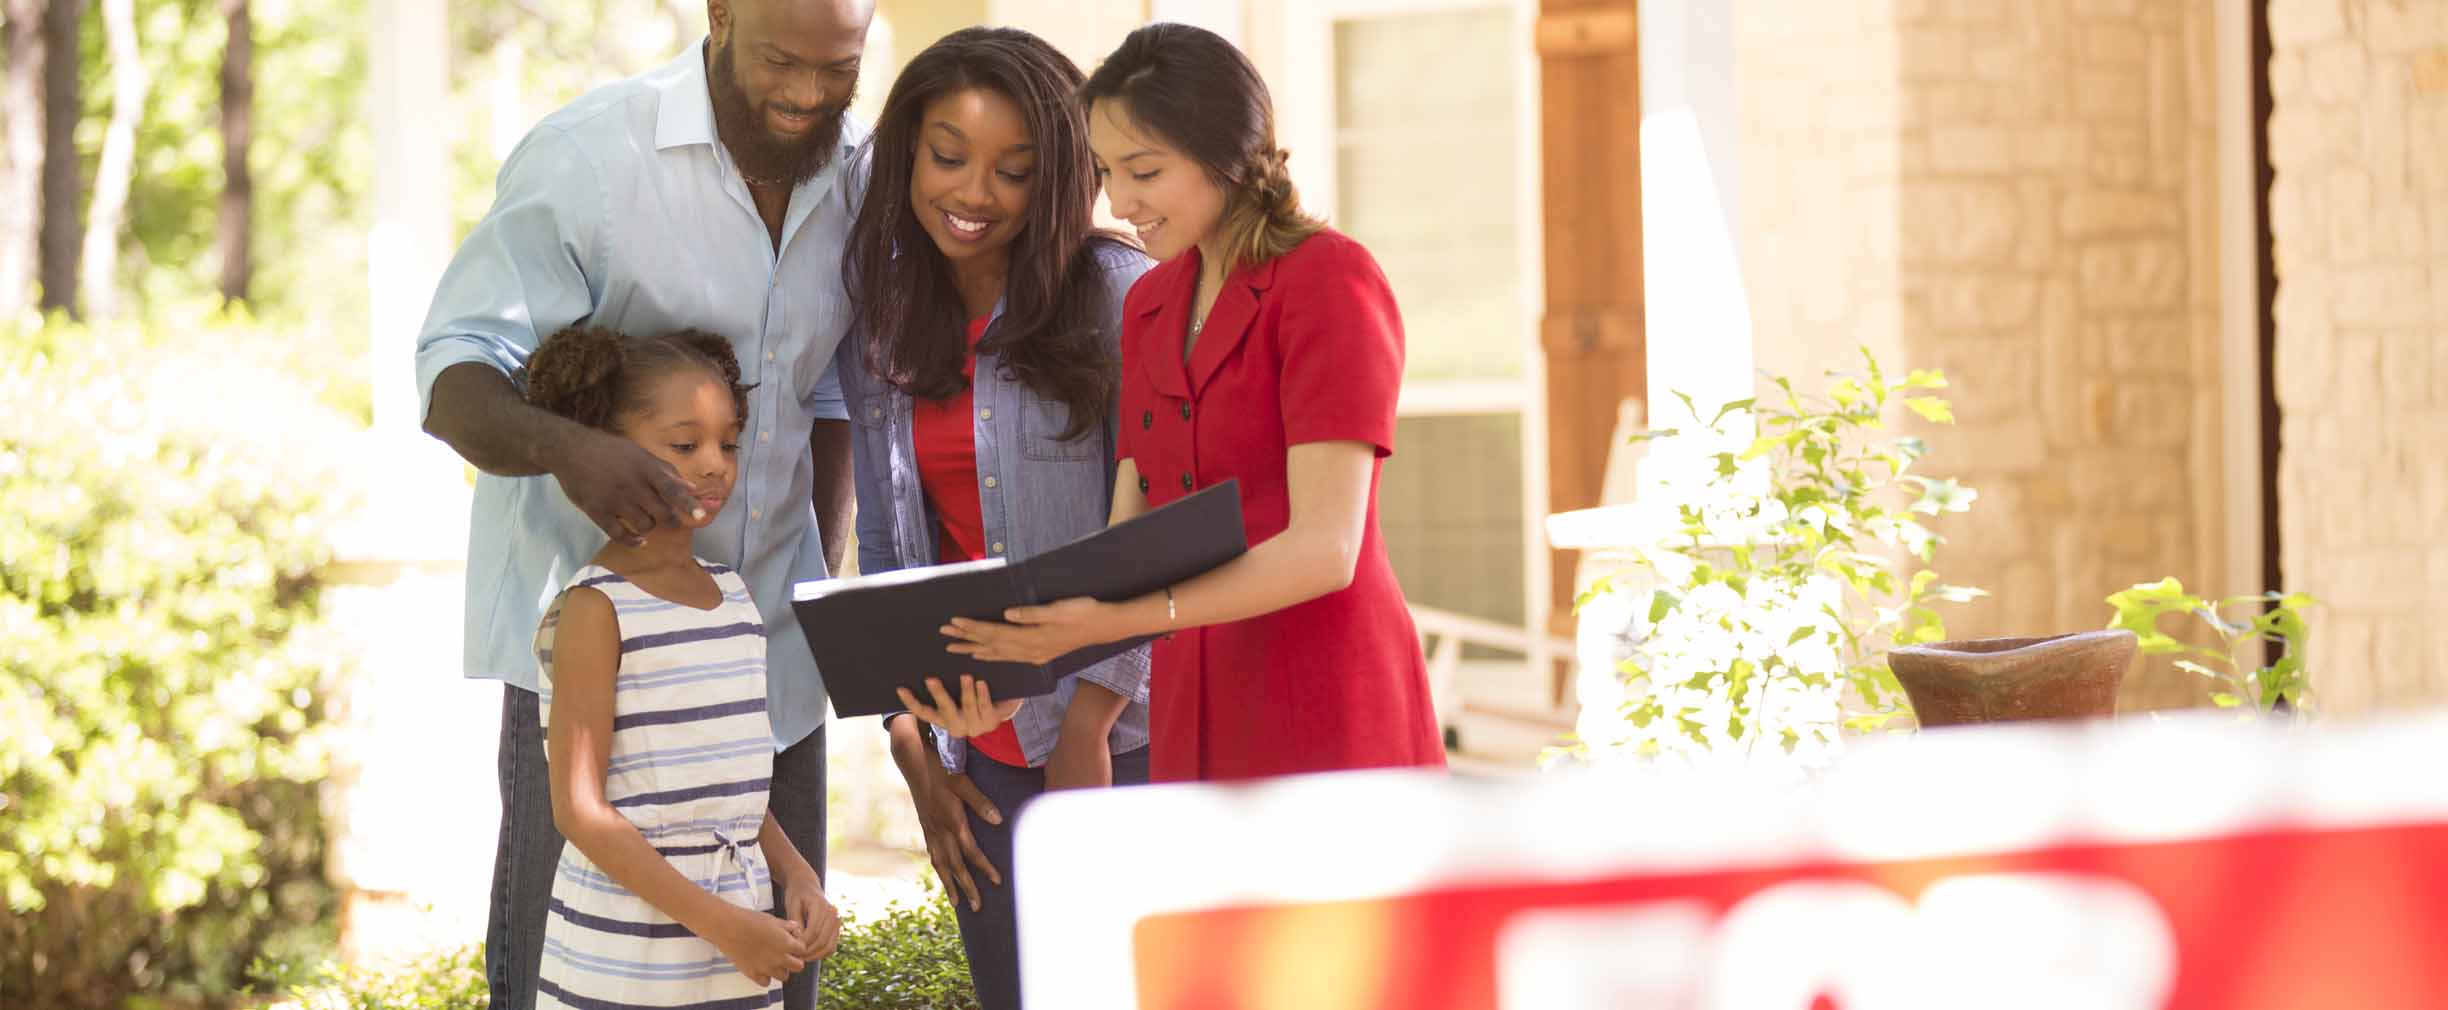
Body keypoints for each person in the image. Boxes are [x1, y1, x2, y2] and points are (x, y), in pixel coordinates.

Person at [411, 2, 876, 1006]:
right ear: (718, 16)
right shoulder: (589, 160)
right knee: (570, 978)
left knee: (771, 975)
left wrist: (819, 571)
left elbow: (831, 388)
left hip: (770, 666)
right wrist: (570, 449)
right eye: (779, 62)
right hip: (597, 676)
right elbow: (454, 372)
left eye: (837, 70)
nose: (806, 94)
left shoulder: (859, 175)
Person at [925, 22, 1445, 782]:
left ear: (1226, 153)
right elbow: (1123, 551)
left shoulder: (1330, 281)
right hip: (1191, 703)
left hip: (1326, 699)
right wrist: (1019, 667)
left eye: (1144, 170)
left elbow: (1326, 550)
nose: (1119, 200)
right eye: (1107, 172)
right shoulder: (1150, 304)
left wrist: (1115, 623)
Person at [834, 26, 1155, 1010]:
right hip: (976, 755)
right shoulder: (882, 322)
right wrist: (915, 753)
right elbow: (891, 552)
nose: (973, 194)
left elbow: (1150, 532)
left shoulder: (1118, 295)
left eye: (1013, 171)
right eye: (947, 156)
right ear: (907, 154)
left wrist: (1088, 728)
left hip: (1123, 742)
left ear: (1056, 177)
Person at [524, 324, 842, 1009]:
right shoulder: (595, 608)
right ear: (607, 449)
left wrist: (798, 878)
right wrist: (724, 925)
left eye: (727, 443)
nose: (714, 464)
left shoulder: (733, 597)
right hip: (623, 963)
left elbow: (733, 789)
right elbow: (579, 811)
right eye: (683, 444)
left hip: (738, 952)